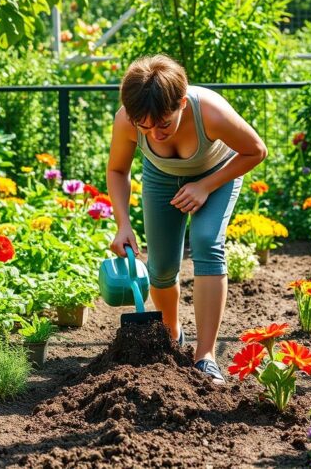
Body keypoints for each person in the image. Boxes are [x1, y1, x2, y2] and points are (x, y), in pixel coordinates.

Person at [107, 54, 267, 383]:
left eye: (164, 123)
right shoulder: (127, 119)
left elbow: (255, 150)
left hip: (216, 175)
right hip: (162, 178)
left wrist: (205, 186)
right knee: (162, 267)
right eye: (145, 127)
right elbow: (118, 170)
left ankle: (205, 356)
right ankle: (172, 333)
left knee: (207, 242)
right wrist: (123, 223)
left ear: (181, 103)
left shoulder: (209, 110)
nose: (154, 134)